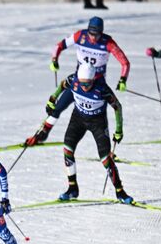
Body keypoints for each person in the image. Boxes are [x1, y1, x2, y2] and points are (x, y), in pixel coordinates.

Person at [34, 63, 132, 203]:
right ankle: (72, 188)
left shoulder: (102, 88)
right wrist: (52, 99)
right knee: (67, 149)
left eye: (88, 84)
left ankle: (120, 192)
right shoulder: (73, 80)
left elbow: (117, 106)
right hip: (78, 118)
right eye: (82, 83)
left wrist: (119, 130)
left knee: (105, 158)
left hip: (97, 122)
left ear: (93, 79)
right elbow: (62, 85)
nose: (85, 87)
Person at [27, 16, 129, 145]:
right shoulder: (80, 36)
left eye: (96, 35)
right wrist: (54, 60)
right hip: (77, 82)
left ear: (101, 33)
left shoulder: (108, 43)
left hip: (97, 87)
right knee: (58, 107)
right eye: (91, 34)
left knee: (100, 121)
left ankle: (108, 150)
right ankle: (41, 134)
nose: (93, 38)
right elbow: (59, 45)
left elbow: (125, 63)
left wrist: (123, 80)